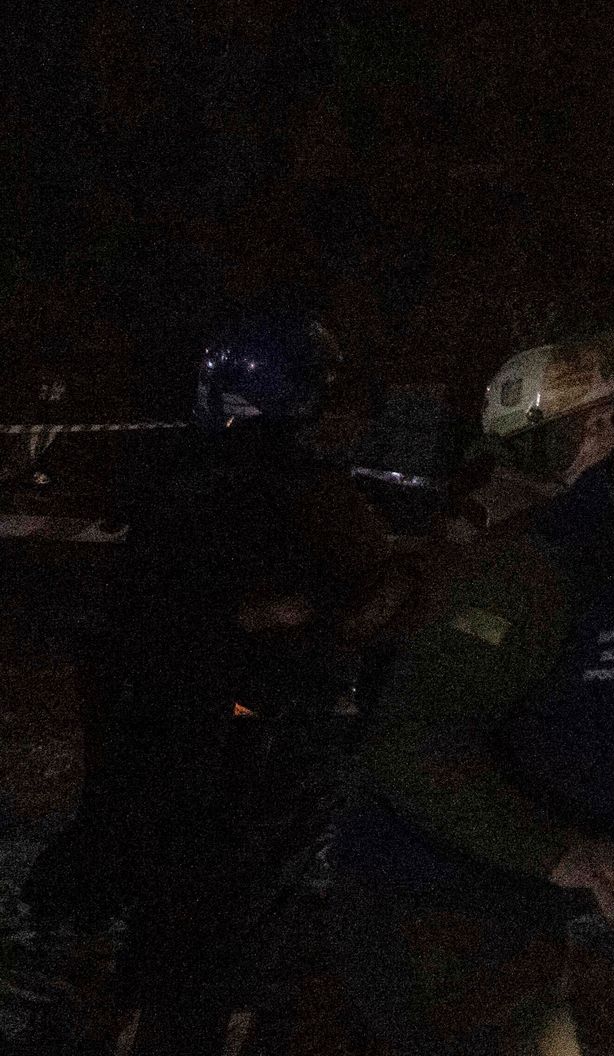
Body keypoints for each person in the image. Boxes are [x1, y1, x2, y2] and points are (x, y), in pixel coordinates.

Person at [25, 312, 396, 1056]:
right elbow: (366, 608)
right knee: (232, 924)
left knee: (171, 910)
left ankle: (140, 1016)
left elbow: (134, 618)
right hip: (259, 734)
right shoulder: (314, 496)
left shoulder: (180, 482)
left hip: (181, 727)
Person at [333, 422, 614, 1055]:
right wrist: (557, 853)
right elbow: (414, 741)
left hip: (514, 913)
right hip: (430, 904)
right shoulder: (538, 568)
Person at [446, 333, 614, 540]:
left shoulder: (570, 502)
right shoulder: (486, 519)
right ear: (543, 439)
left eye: (611, 422)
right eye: (596, 425)